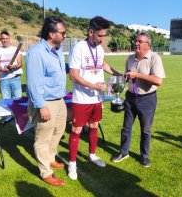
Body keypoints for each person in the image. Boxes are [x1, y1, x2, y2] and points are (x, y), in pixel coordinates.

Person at [68, 16, 120, 180]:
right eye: (100, 36)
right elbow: (73, 76)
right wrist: (93, 86)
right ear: (90, 32)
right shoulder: (78, 48)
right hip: (82, 99)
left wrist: (119, 75)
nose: (102, 39)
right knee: (76, 130)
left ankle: (92, 155)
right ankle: (72, 165)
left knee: (94, 126)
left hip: (97, 98)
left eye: (104, 36)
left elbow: (102, 64)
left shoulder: (99, 48)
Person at [111, 32, 166, 167]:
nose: (136, 43)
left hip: (147, 99)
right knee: (126, 127)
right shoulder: (130, 59)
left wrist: (137, 75)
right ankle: (123, 152)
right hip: (130, 97)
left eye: (140, 41)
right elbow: (125, 77)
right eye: (135, 41)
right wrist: (114, 80)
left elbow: (158, 81)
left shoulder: (154, 58)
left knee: (146, 129)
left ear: (148, 44)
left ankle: (144, 156)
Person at [26, 16, 67, 187]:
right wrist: (41, 106)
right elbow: (34, 83)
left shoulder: (57, 50)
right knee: (43, 138)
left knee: (58, 130)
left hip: (59, 100)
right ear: (52, 34)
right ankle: (46, 173)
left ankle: (50, 158)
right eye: (62, 33)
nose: (65, 35)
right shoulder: (36, 53)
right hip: (46, 102)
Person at [0, 31, 23, 99]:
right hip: (4, 80)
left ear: (9, 38)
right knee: (5, 103)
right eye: (3, 38)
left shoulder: (15, 49)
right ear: (0, 39)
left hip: (15, 78)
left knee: (17, 101)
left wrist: (14, 66)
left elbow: (20, 63)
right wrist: (2, 69)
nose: (5, 40)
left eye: (6, 38)